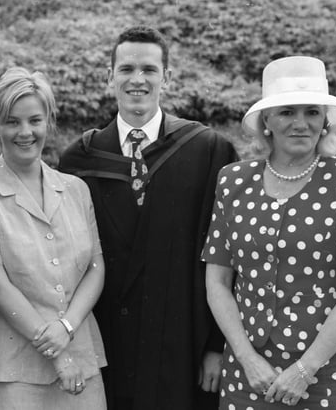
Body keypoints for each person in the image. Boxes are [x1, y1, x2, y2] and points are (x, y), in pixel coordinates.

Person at [58, 26, 238, 410]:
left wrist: (215, 346)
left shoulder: (208, 151)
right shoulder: (80, 160)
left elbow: (227, 259)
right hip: (107, 340)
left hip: (183, 341)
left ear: (166, 78)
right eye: (125, 69)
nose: (137, 79)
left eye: (149, 69)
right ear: (110, 77)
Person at [202, 56, 336, 409]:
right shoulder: (232, 180)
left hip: (325, 372)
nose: (301, 123)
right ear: (266, 122)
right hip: (248, 371)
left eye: (312, 112)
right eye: (287, 112)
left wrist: (304, 369)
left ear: (325, 123)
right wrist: (247, 359)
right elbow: (217, 282)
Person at [0, 67, 107, 410]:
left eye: (35, 120)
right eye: (12, 121)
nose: (25, 132)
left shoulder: (76, 190)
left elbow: (96, 268)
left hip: (82, 361)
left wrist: (68, 327)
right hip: (11, 367)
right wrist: (56, 350)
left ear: (49, 122)